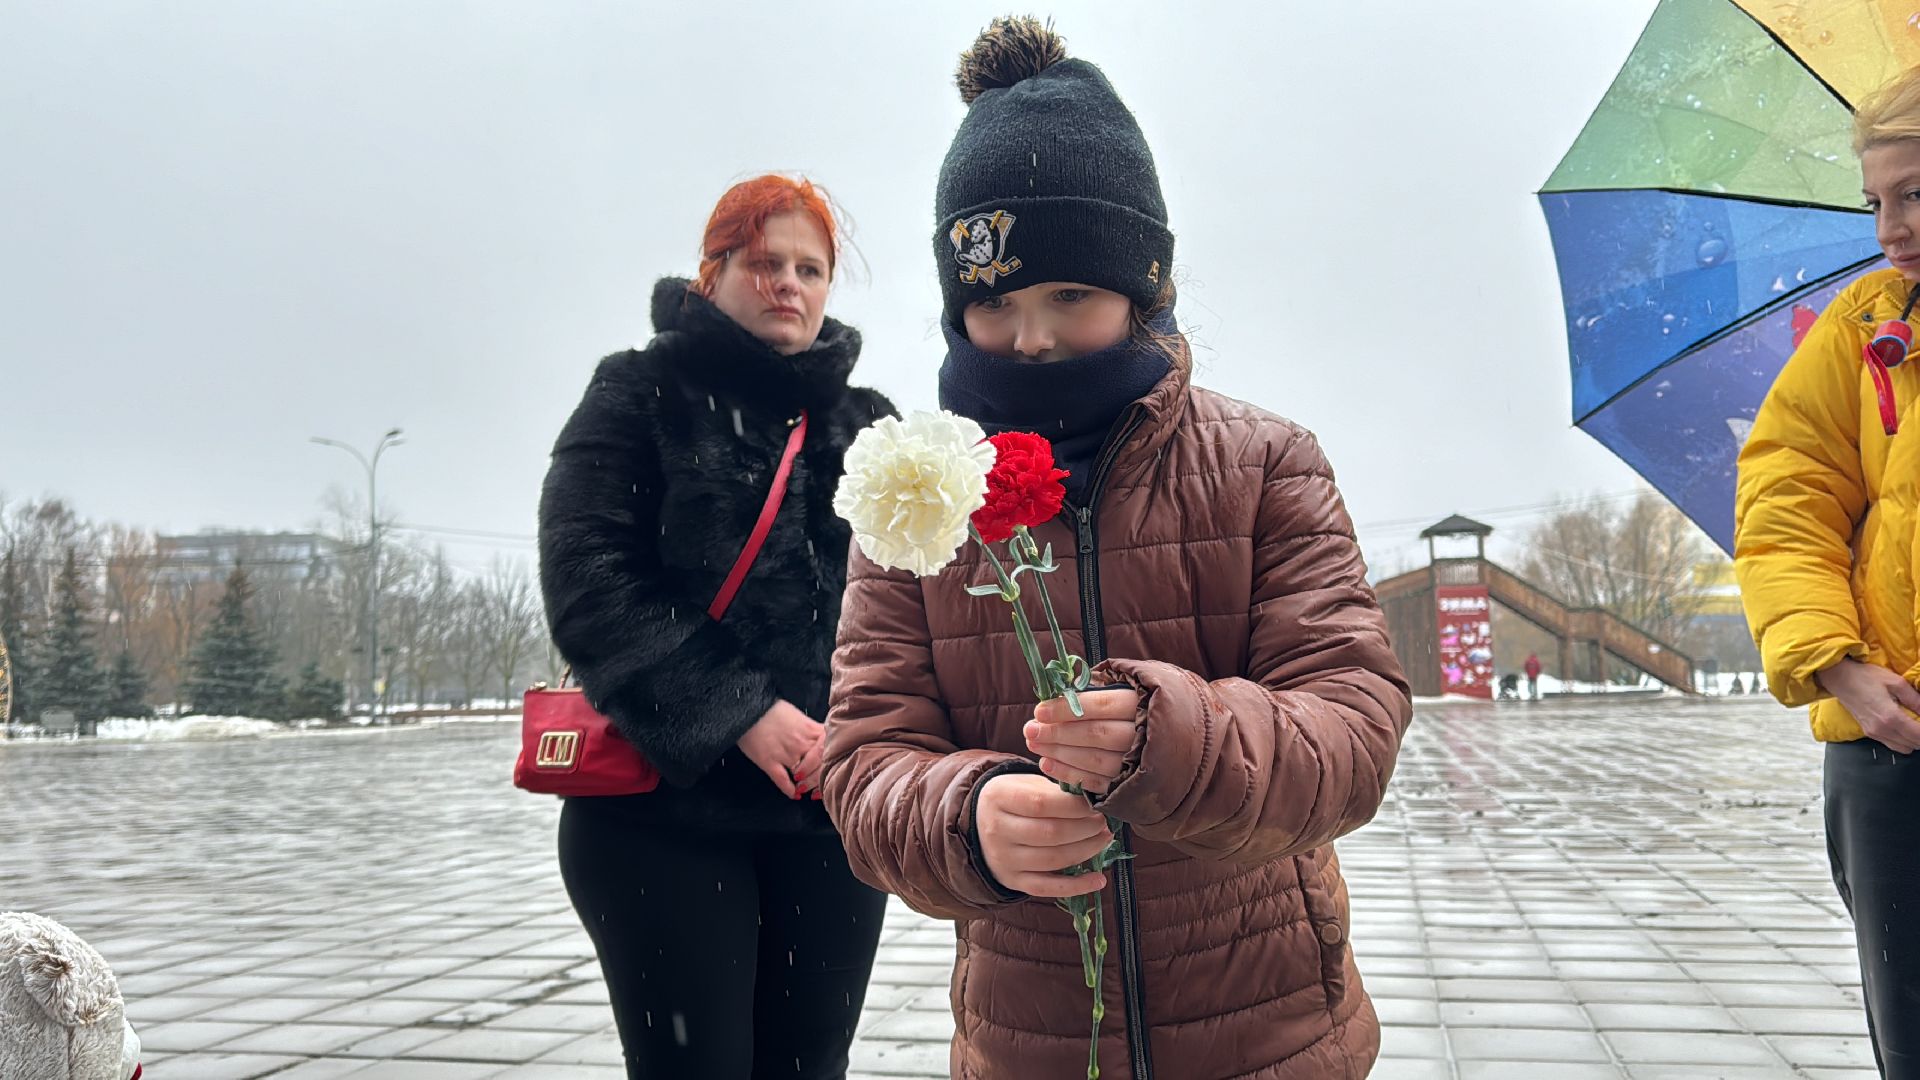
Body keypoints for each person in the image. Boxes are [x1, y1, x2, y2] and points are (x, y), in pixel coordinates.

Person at [821, 19, 1413, 1079]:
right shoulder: (917, 504)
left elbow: (1355, 728)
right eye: (994, 303)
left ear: (1146, 291)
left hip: (1272, 1036)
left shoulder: (1269, 464)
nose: (1032, 337)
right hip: (1033, 1043)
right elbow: (864, 765)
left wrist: (1169, 739)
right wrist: (966, 818)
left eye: (1071, 297)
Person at [538, 174, 894, 1079]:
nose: (790, 285)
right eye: (765, 262)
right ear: (713, 273)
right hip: (664, 816)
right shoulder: (639, 392)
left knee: (811, 1067)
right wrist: (738, 708)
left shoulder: (870, 427)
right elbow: (588, 578)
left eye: (811, 269)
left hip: (825, 818)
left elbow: (914, 608)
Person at [1736, 66, 1920, 1078]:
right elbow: (1785, 497)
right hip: (1894, 745)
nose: (1890, 228)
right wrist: (1837, 664)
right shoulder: (1862, 330)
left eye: (1917, 192)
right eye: (1876, 201)